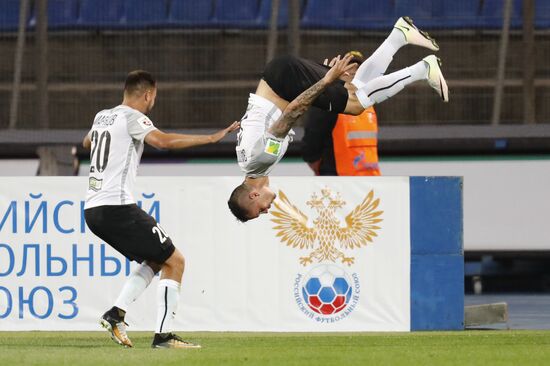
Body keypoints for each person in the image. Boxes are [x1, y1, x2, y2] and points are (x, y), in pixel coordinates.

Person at [228, 16, 448, 222]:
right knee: (355, 89)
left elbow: (292, 112)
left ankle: (423, 69)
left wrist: (325, 81)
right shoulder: (249, 163)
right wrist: (328, 82)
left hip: (285, 80)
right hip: (281, 78)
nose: (267, 211)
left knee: (354, 105)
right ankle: (399, 35)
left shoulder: (261, 162)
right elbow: (284, 110)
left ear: (253, 196)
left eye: (260, 211)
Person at [82, 70, 239, 349]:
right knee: (176, 261)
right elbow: (163, 141)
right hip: (116, 206)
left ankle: (116, 313)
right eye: (154, 96)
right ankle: (164, 337)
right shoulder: (134, 117)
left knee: (156, 259)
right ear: (148, 94)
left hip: (93, 210)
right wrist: (211, 139)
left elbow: (87, 142)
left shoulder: (101, 116)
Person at [302, 51, 381, 176]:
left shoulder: (368, 102)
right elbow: (313, 135)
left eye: (358, 68)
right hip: (338, 177)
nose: (353, 71)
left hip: (368, 176)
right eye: (348, 66)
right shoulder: (330, 101)